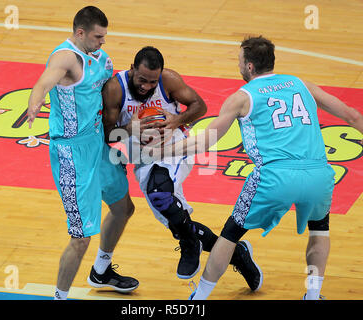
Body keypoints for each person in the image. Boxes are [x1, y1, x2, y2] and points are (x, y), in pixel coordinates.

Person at [149, 35, 363, 300]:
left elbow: (206, 141)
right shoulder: (301, 84)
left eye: (240, 61)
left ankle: (200, 297)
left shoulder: (242, 97)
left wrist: (163, 151)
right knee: (319, 230)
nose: (238, 66)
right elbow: (352, 116)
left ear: (249, 66)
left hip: (274, 178)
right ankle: (313, 294)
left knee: (229, 235)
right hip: (319, 174)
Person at [102, 46, 263, 290]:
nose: (146, 86)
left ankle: (190, 245)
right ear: (132, 68)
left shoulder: (169, 80)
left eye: (152, 82)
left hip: (176, 147)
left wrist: (175, 120)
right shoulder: (116, 88)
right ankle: (236, 254)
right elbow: (107, 134)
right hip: (143, 156)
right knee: (177, 219)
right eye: (141, 80)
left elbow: (199, 105)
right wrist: (128, 130)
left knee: (160, 193)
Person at [27, 6, 138, 300]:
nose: (103, 41)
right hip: (72, 154)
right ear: (80, 33)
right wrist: (35, 103)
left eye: (104, 36)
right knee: (80, 239)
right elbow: (44, 81)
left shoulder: (100, 57)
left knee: (123, 208)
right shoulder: (66, 57)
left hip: (98, 143)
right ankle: (60, 297)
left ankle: (101, 271)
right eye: (98, 36)